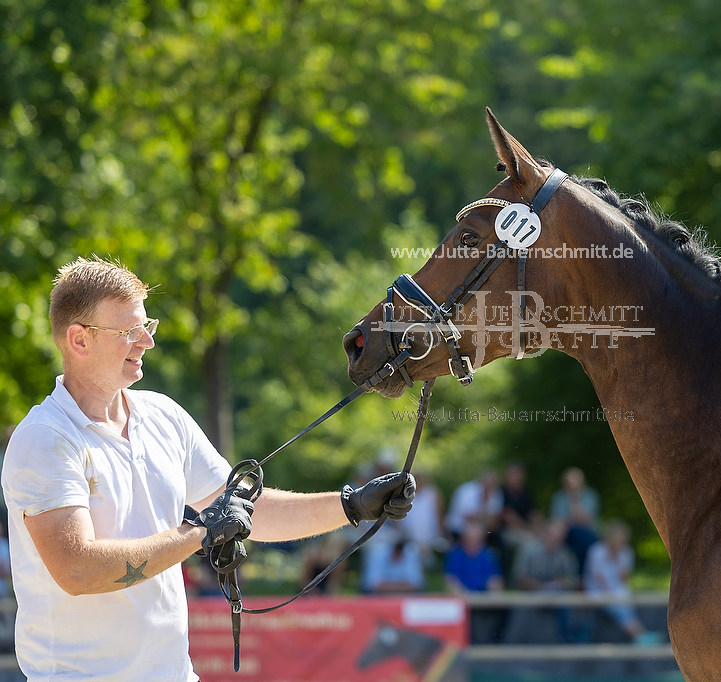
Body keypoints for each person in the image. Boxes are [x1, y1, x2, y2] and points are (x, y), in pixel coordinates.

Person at [0, 257, 416, 681]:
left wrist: (353, 505)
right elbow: (78, 569)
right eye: (128, 331)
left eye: (149, 325)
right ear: (78, 340)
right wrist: (199, 533)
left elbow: (249, 511)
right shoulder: (46, 438)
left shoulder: (163, 415)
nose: (147, 341)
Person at [583, 519, 660, 644]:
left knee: (622, 600)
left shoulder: (626, 552)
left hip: (617, 591)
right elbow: (599, 579)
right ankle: (640, 635)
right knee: (620, 604)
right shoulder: (596, 552)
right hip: (598, 591)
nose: (623, 543)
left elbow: (624, 578)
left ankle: (639, 635)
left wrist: (619, 559)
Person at [549, 467, 600, 577]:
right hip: (565, 533)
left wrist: (574, 500)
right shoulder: (559, 497)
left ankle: (580, 577)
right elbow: (556, 521)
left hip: (586, 533)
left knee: (582, 537)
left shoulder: (590, 496)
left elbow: (584, 520)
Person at [444, 469, 503, 542]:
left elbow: (495, 517)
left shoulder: (496, 493)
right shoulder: (466, 491)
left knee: (499, 538)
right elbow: (468, 517)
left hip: (483, 529)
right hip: (459, 527)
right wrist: (486, 519)